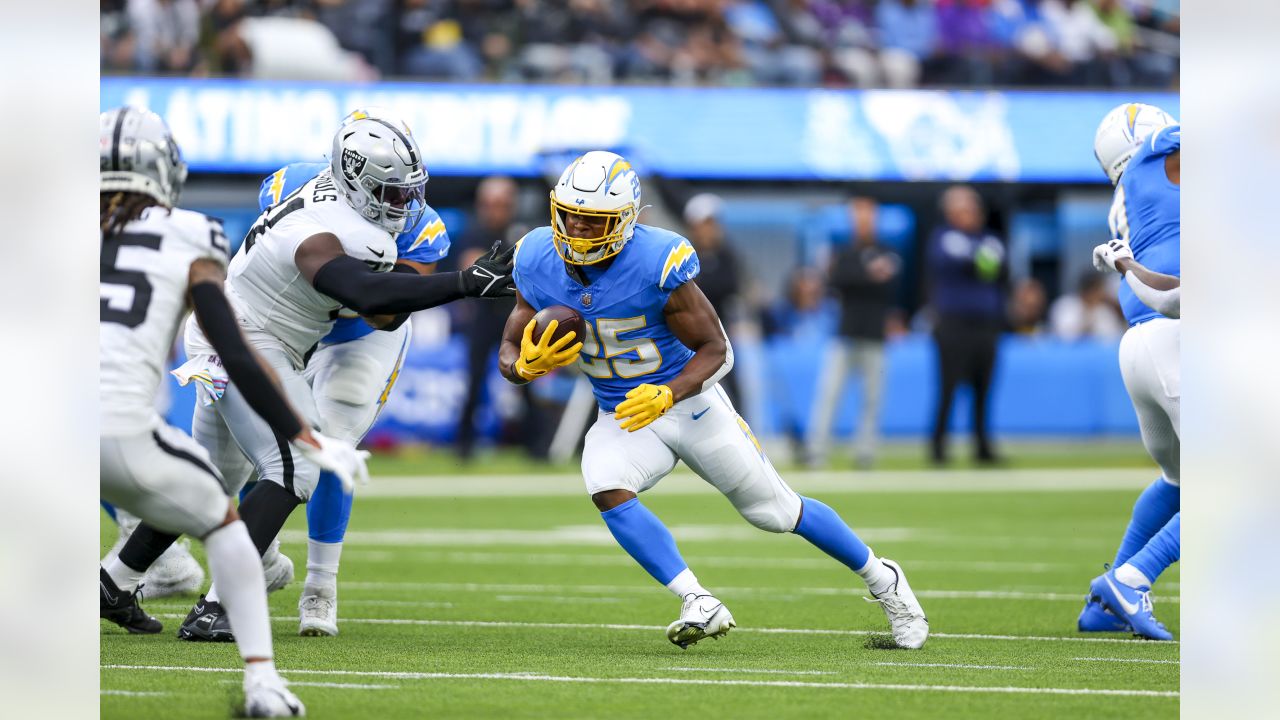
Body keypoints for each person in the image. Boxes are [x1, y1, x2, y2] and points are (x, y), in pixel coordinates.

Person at [498, 151, 928, 650]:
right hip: (624, 413)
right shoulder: (534, 256)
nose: (575, 228)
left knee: (775, 512)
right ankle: (696, 599)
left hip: (691, 405)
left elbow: (717, 351)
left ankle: (884, 579)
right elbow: (512, 339)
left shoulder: (656, 260)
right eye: (569, 214)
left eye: (591, 221)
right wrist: (521, 367)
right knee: (604, 481)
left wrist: (669, 391)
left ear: (622, 221)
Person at [116, 111, 516, 643]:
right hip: (252, 341)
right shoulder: (327, 229)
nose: (406, 206)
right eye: (392, 194)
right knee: (298, 465)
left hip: (254, 332)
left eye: (408, 192)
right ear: (355, 180)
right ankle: (219, 607)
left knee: (212, 475)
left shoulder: (332, 200)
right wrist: (465, 283)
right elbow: (370, 296)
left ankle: (113, 580)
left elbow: (382, 315)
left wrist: (444, 281)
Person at [99, 107, 363, 716]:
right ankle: (262, 684)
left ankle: (113, 582)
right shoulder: (192, 233)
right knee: (226, 524)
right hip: (123, 429)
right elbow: (236, 351)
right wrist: (304, 433)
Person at [1077, 103, 1180, 641]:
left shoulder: (1132, 191)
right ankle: (1132, 578)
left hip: (1142, 341)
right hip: (1180, 335)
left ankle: (1106, 604)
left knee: (1180, 480)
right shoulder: (1159, 157)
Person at [807, 197, 902, 469]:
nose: (862, 221)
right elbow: (839, 281)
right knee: (830, 393)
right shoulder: (844, 252)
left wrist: (863, 276)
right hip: (846, 332)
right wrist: (869, 275)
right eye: (858, 216)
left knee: (873, 397)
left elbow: (889, 285)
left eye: (867, 216)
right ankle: (817, 450)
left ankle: (865, 452)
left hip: (875, 333)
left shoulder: (887, 251)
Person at [453, 175, 540, 460]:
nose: (493, 210)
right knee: (475, 380)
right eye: (488, 204)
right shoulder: (474, 231)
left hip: (517, 315)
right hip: (484, 316)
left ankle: (534, 445)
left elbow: (532, 269)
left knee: (527, 377)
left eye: (500, 204)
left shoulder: (522, 231)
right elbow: (469, 267)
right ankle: (464, 444)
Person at [925, 185, 1008, 465]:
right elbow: (976, 265)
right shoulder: (944, 237)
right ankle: (938, 447)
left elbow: (996, 269)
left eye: (974, 208)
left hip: (986, 323)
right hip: (953, 324)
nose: (972, 214)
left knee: (983, 388)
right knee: (948, 387)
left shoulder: (990, 239)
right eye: (964, 208)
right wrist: (979, 258)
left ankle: (982, 446)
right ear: (950, 212)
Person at [682, 193, 745, 404]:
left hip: (721, 330)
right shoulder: (683, 254)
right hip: (687, 334)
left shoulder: (727, 255)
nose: (711, 229)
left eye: (713, 223)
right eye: (706, 223)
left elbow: (730, 286)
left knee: (731, 382)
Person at [1048, 271, 1126, 341]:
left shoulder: (1104, 310)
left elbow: (1112, 337)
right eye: (1097, 290)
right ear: (1088, 290)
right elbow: (1064, 335)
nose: (1101, 294)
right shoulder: (1065, 305)